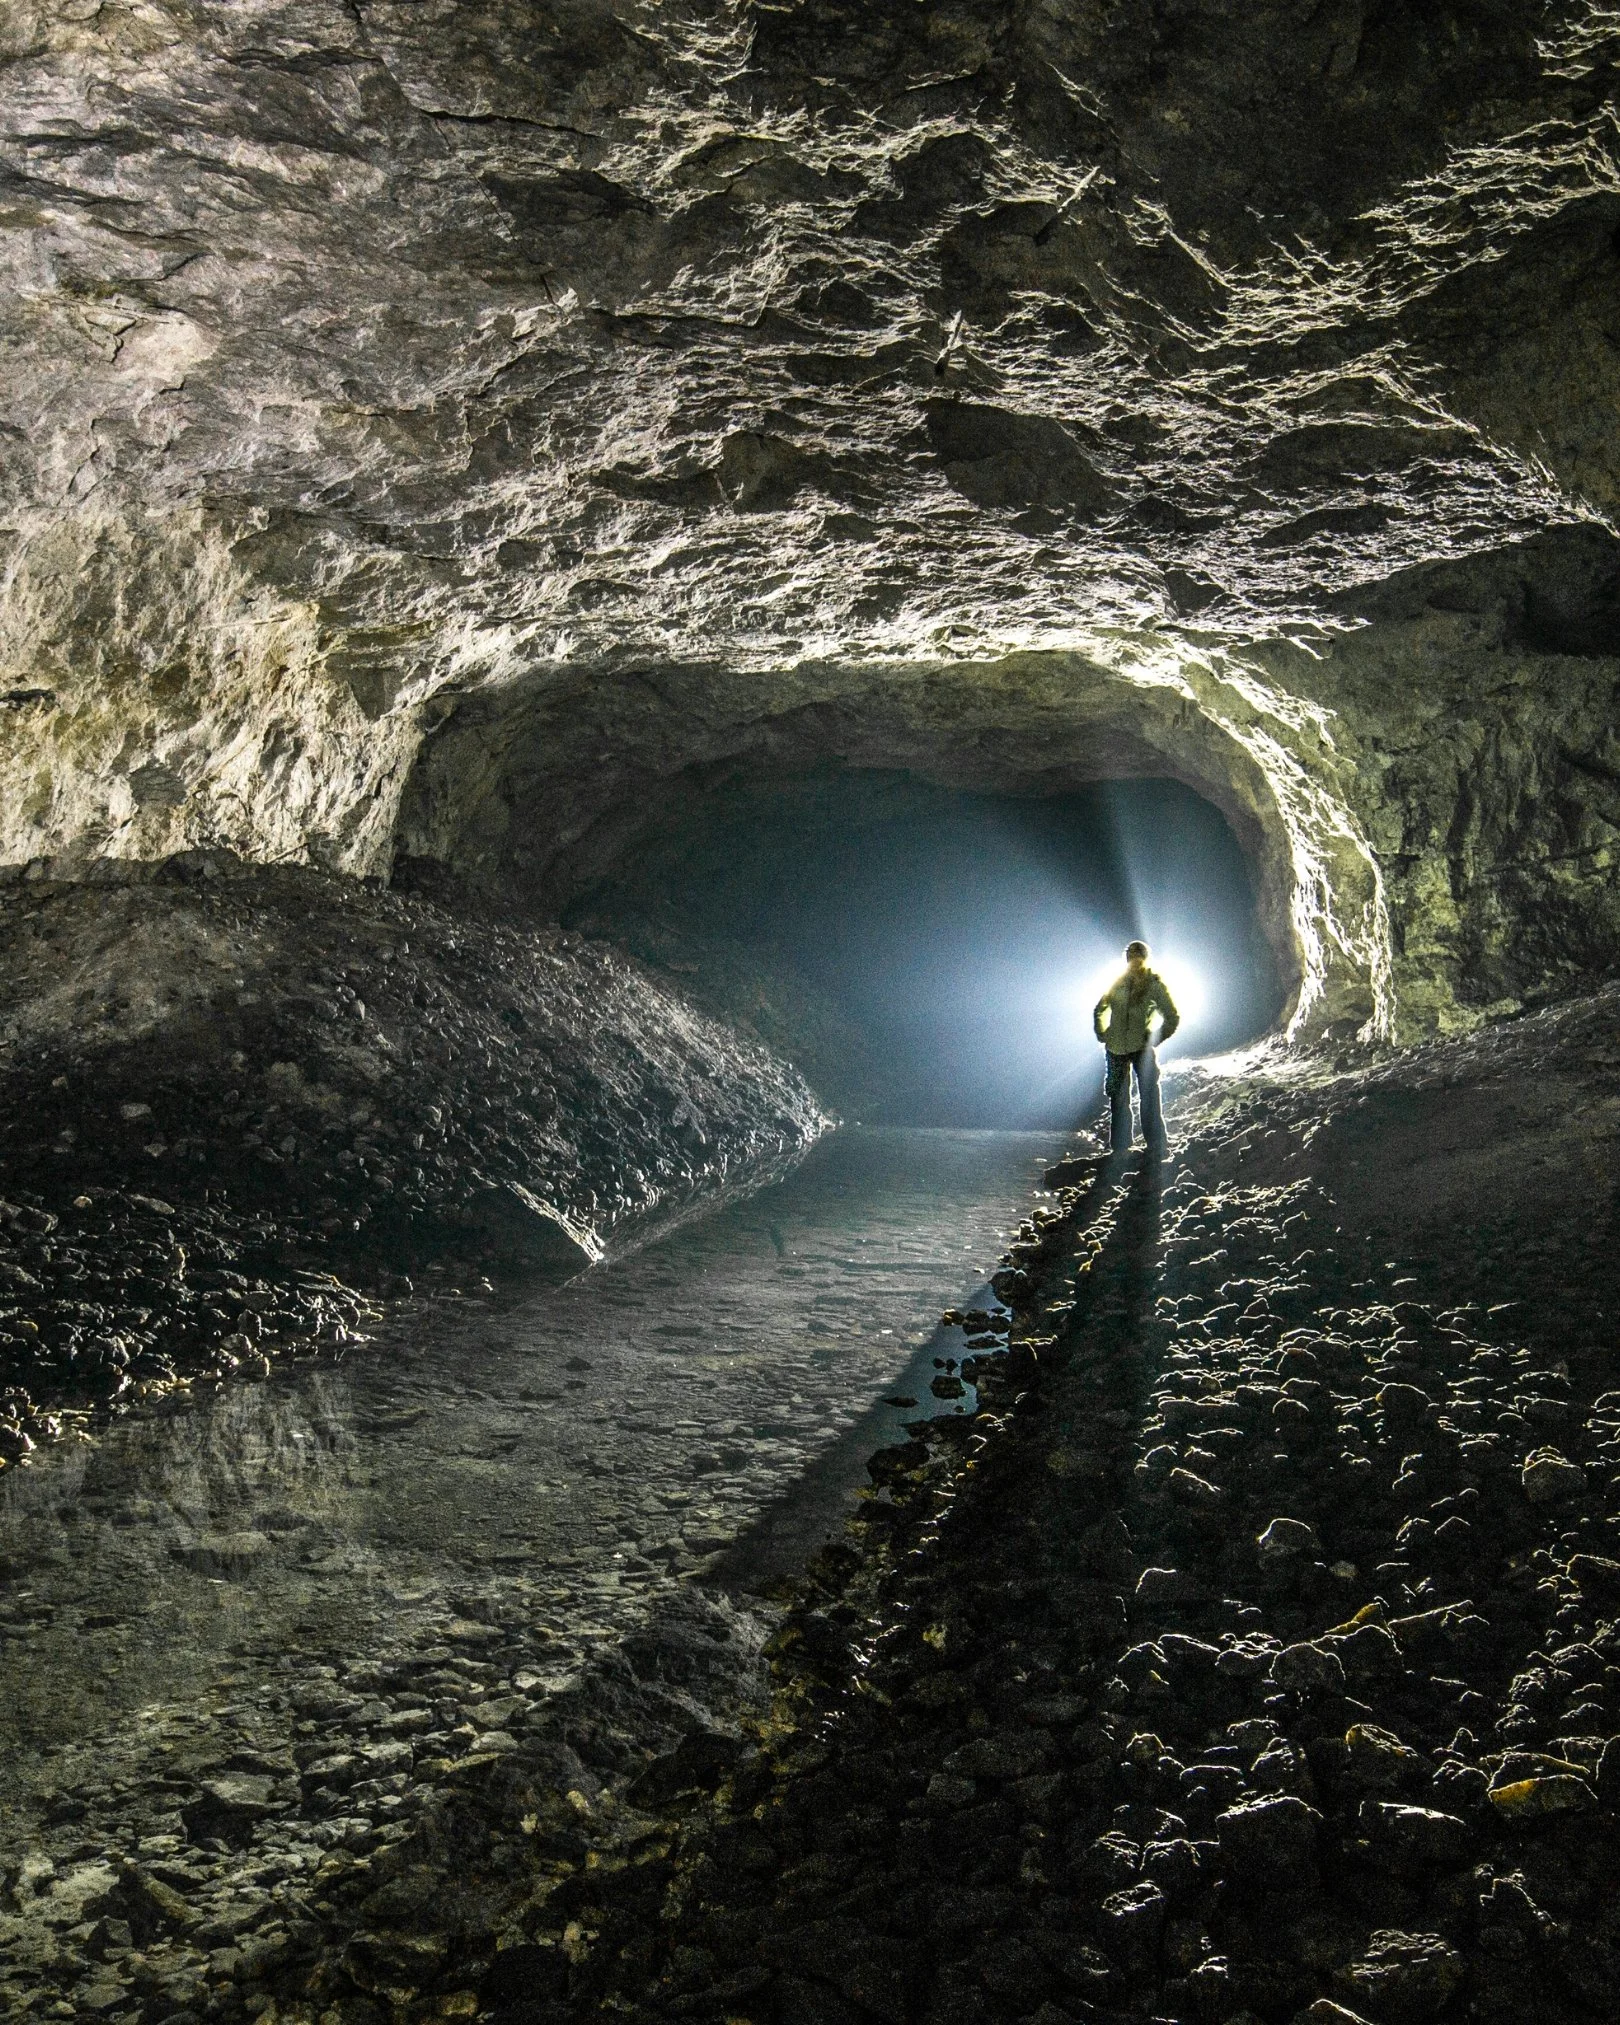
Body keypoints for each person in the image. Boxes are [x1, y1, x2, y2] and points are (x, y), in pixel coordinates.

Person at [1093, 940, 1179, 1158]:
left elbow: (1172, 1017)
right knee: (1118, 1098)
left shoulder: (1154, 985)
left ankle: (1156, 1146)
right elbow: (1099, 1010)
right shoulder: (1117, 983)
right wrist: (1103, 1034)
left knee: (1149, 1096)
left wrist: (1153, 1039)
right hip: (1115, 1050)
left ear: (1144, 957)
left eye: (1137, 954)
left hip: (1141, 1049)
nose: (1133, 958)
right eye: (1131, 955)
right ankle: (1121, 1148)